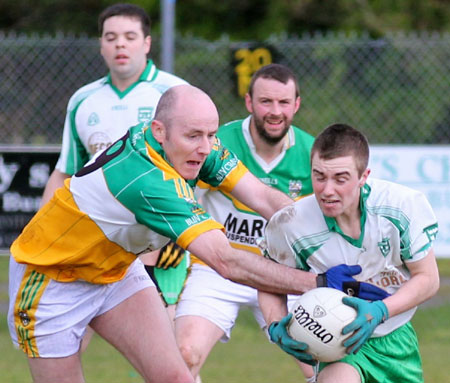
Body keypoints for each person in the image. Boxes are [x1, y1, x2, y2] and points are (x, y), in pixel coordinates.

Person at [8, 85, 383, 383]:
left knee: (177, 377)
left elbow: (264, 198)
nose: (205, 148)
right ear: (159, 131)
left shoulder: (189, 143)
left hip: (116, 270)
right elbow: (225, 259)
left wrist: (331, 234)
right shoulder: (149, 180)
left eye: (210, 134)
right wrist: (317, 281)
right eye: (194, 136)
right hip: (52, 280)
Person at [40, 2, 188, 339]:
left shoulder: (175, 93)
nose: (120, 44)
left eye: (129, 36)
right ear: (101, 45)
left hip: (157, 244)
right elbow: (66, 173)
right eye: (111, 37)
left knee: (175, 355)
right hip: (93, 241)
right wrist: (43, 230)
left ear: (147, 43)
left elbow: (198, 172)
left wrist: (185, 232)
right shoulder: (83, 99)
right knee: (66, 342)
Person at [258, 123, 440, 383]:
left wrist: (379, 311)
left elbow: (428, 278)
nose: (327, 189)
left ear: (363, 176)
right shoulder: (290, 224)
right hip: (337, 342)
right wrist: (276, 326)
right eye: (319, 176)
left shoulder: (400, 206)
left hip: (395, 336)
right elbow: (267, 279)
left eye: (340, 179)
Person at [175, 63, 316, 382]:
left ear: (296, 104)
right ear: (249, 102)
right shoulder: (215, 142)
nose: (275, 111)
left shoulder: (311, 153)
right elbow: (183, 198)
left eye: (283, 102)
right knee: (184, 356)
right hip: (216, 265)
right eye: (266, 101)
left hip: (284, 271)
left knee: (323, 361)